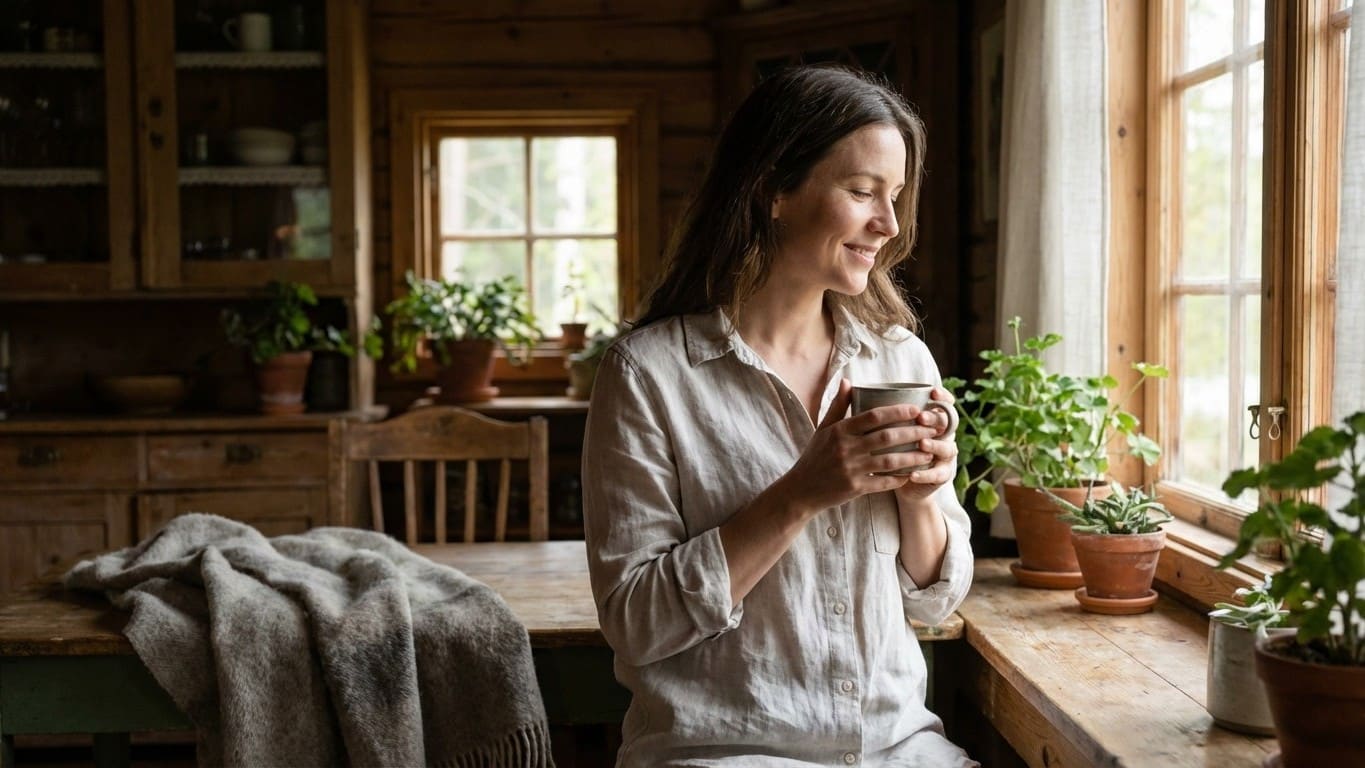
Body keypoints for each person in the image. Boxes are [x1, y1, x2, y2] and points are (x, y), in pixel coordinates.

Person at [582, 64, 977, 767]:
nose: (886, 225)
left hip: (898, 749)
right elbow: (636, 623)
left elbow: (930, 604)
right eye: (861, 192)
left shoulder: (900, 361)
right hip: (722, 751)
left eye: (894, 197)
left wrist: (920, 501)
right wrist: (801, 492)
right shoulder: (647, 374)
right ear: (774, 191)